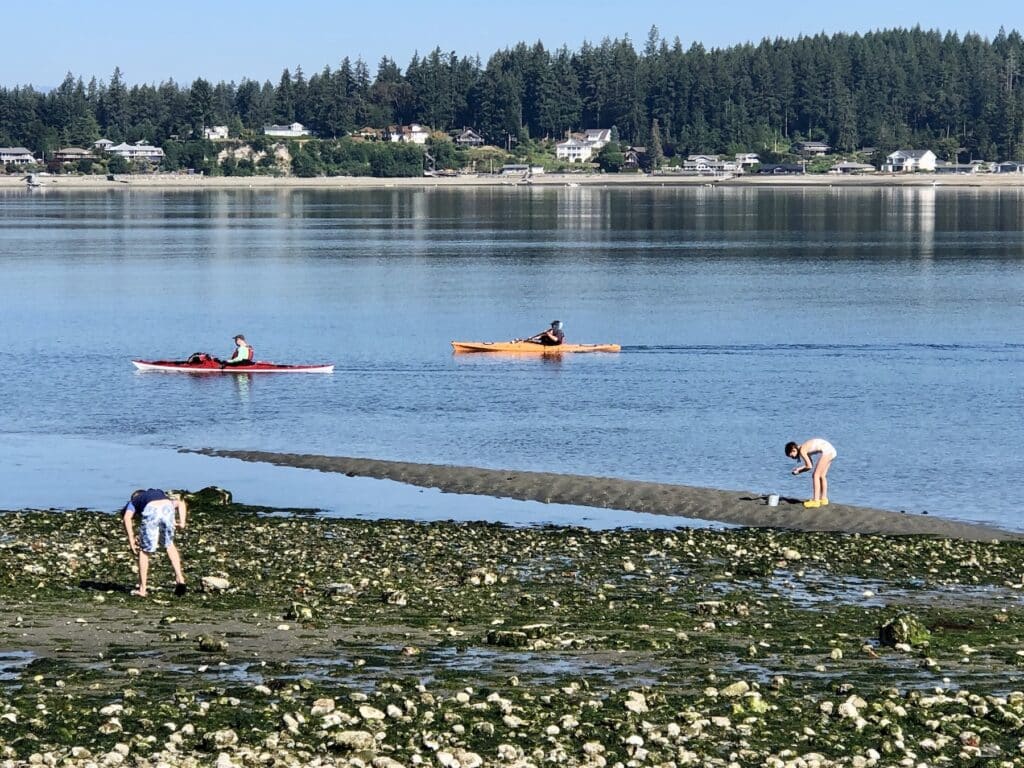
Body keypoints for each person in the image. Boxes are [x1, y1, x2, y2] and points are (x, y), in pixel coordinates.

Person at [122, 488, 187, 597]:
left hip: (152, 509)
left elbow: (127, 518)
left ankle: (142, 589)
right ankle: (180, 578)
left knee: (144, 551)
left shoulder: (134, 500)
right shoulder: (159, 494)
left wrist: (131, 539)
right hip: (167, 507)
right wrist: (182, 522)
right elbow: (180, 503)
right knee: (169, 545)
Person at [785, 438, 837, 508]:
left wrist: (799, 471)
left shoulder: (802, 450)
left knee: (815, 475)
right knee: (822, 476)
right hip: (832, 451)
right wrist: (799, 469)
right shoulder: (804, 448)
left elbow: (809, 466)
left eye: (791, 456)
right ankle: (824, 499)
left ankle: (816, 501)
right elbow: (810, 465)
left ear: (793, 450)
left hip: (827, 451)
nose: (793, 458)